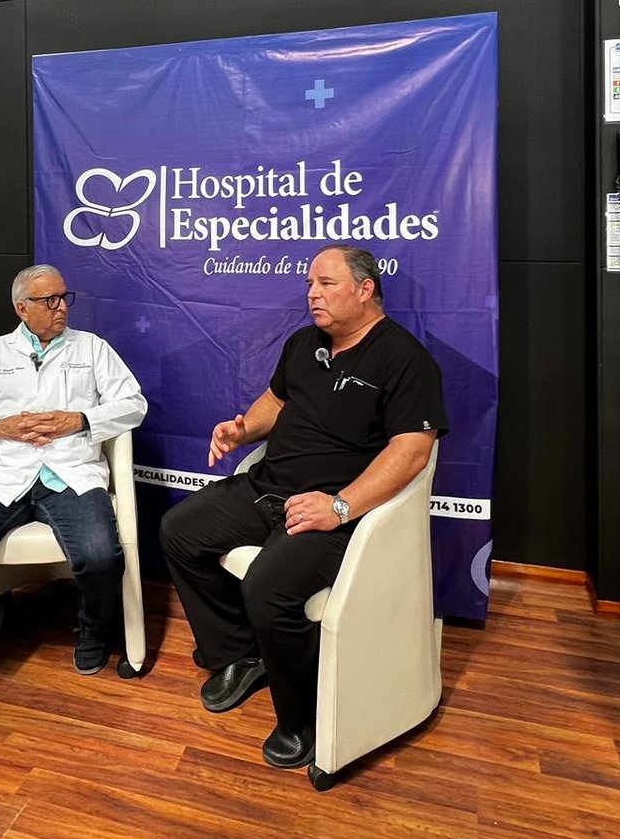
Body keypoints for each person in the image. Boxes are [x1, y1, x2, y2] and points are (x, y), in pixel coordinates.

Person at [159, 244, 445, 769]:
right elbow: (276, 401)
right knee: (179, 530)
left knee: (267, 587)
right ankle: (239, 654)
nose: (312, 294)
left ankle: (304, 717)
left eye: (326, 284)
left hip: (333, 509)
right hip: (267, 487)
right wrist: (243, 430)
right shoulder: (303, 343)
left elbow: (412, 452)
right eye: (310, 284)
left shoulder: (405, 359)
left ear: (365, 289)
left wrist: (340, 507)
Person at [0, 265, 147, 687]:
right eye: (49, 300)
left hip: (71, 472)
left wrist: (80, 419)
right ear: (22, 308)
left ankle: (93, 628)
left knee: (101, 557)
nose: (61, 307)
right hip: (3, 475)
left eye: (64, 297)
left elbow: (133, 404)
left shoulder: (92, 349)